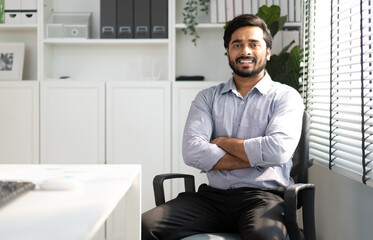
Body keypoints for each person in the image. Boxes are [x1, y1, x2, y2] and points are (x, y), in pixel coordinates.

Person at [142, 14, 304, 240]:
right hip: (213, 199)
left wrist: (224, 142)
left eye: (253, 44)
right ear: (228, 52)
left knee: (264, 237)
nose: (245, 51)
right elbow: (191, 151)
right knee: (145, 225)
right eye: (237, 45)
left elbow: (278, 150)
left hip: (263, 198)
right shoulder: (207, 98)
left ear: (267, 51)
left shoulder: (286, 97)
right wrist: (258, 156)